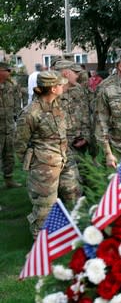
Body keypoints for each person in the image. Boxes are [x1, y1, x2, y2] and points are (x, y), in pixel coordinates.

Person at [15, 71, 82, 238]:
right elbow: (20, 144)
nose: (63, 86)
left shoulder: (58, 106)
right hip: (44, 166)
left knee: (74, 194)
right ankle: (40, 244)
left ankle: (73, 232)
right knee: (45, 207)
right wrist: (34, 164)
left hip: (65, 159)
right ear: (53, 88)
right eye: (60, 84)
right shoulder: (31, 113)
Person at [55, 60, 91, 158]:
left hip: (78, 144)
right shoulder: (49, 93)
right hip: (57, 147)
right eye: (75, 72)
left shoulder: (78, 90)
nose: (77, 76)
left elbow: (85, 115)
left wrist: (86, 137)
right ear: (66, 73)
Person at [0, 62, 23, 188]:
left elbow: (16, 104)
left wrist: (19, 119)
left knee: (9, 155)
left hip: (8, 127)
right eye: (6, 70)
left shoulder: (12, 85)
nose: (9, 73)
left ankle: (9, 179)